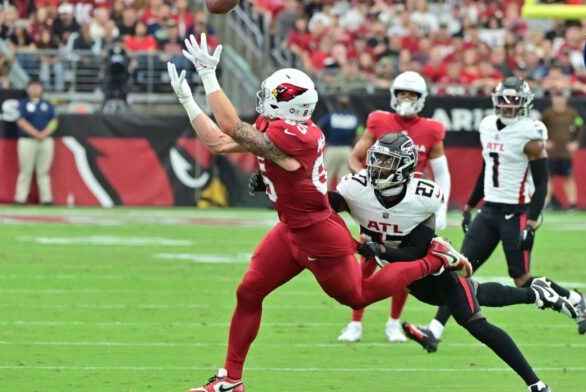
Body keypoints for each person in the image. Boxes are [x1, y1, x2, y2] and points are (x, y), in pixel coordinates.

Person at [168, 33, 469, 392]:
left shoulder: (299, 135)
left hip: (317, 231)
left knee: (358, 294)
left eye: (274, 95)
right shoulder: (279, 126)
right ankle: (231, 380)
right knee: (249, 291)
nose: (265, 99)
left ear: (289, 105)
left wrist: (207, 77)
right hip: (289, 228)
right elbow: (219, 142)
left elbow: (233, 128)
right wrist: (188, 100)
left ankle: (433, 259)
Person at [329, 133, 558, 392]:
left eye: (386, 161)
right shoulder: (356, 189)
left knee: (475, 323)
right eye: (376, 159)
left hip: (434, 268)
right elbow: (326, 205)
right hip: (413, 282)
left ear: (404, 166)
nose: (377, 167)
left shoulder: (422, 197)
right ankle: (536, 294)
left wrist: (380, 249)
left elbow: (416, 252)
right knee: (478, 292)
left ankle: (536, 384)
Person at [407, 77, 586, 353]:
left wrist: (530, 222)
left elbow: (542, 183)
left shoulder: (530, 134)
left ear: (525, 102)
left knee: (521, 277)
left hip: (516, 213)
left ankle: (575, 300)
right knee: (457, 271)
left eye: (514, 99)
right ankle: (433, 331)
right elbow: (486, 170)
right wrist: (470, 206)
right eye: (503, 99)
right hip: (489, 210)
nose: (508, 105)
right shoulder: (487, 127)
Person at [338, 71, 451, 343]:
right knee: (366, 261)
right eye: (402, 94)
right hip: (377, 204)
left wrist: (441, 210)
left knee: (403, 267)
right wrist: (368, 185)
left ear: (422, 99)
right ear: (393, 95)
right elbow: (356, 158)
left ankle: (393, 322)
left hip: (410, 210)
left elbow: (443, 173)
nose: (406, 99)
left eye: (412, 95)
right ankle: (355, 323)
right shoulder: (378, 120)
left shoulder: (432, 129)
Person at [14, 79, 57, 206]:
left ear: (41, 89)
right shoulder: (22, 104)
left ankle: (47, 199)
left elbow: (54, 121)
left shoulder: (47, 104)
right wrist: (35, 133)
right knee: (25, 170)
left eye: (37, 87)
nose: (35, 90)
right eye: (32, 87)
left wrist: (44, 133)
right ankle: (20, 198)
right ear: (27, 89)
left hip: (45, 140)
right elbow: (20, 121)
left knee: (43, 171)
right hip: (27, 140)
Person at [540, 88, 583, 210]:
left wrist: (575, 142)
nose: (559, 99)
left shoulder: (572, 113)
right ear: (552, 98)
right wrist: (544, 141)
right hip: (551, 153)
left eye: (561, 96)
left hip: (565, 153)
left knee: (569, 177)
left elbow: (580, 126)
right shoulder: (547, 113)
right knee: (548, 178)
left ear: (565, 98)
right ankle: (546, 203)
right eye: (556, 96)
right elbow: (538, 127)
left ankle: (572, 203)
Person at [316, 95, 360, 190]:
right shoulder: (354, 118)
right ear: (349, 105)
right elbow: (360, 133)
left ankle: (323, 201)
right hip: (347, 150)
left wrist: (324, 141)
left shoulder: (331, 116)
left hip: (332, 149)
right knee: (344, 180)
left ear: (337, 104)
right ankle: (341, 202)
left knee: (325, 178)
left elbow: (318, 128)